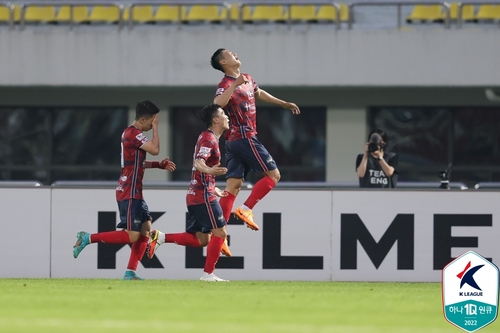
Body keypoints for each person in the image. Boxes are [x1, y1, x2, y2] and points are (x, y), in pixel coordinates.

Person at [72, 100, 176, 280]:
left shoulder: (131, 135)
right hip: (128, 190)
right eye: (152, 121)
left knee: (145, 228)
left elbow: (136, 162)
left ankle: (130, 272)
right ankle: (87, 238)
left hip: (134, 190)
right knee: (133, 235)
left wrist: (158, 166)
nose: (153, 125)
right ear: (143, 120)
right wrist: (158, 129)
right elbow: (155, 149)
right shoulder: (133, 134)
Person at [210, 48, 301, 236]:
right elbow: (217, 104)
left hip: (234, 142)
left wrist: (282, 103)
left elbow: (259, 93)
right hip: (244, 137)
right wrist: (234, 85)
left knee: (233, 186)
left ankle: (218, 233)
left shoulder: (247, 78)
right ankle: (246, 209)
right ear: (223, 63)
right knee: (274, 175)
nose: (235, 53)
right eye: (229, 53)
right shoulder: (226, 83)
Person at [147, 104, 230, 282]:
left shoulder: (208, 137)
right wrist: (210, 172)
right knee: (220, 232)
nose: (227, 116)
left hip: (198, 193)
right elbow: (198, 162)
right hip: (202, 196)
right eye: (223, 114)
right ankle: (208, 275)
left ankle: (160, 237)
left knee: (202, 239)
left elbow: (200, 168)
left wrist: (214, 187)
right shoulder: (209, 139)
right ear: (215, 119)